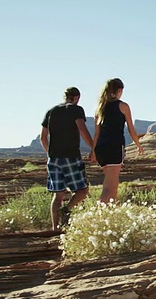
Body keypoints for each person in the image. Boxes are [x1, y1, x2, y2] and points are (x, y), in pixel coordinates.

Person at [40, 87, 94, 230]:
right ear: (76, 97)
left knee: (58, 195)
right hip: (70, 157)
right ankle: (66, 210)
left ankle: (55, 229)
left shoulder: (51, 111)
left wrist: (50, 153)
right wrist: (94, 148)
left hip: (53, 159)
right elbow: (82, 129)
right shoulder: (76, 109)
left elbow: (43, 137)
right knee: (82, 191)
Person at [93, 78, 144, 203]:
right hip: (114, 147)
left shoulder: (100, 108)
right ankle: (100, 214)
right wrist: (138, 145)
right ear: (119, 90)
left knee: (114, 182)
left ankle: (112, 210)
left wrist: (93, 151)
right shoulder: (123, 106)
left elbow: (97, 133)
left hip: (101, 148)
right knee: (109, 186)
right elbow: (131, 129)